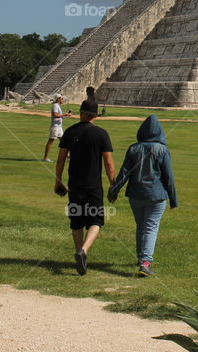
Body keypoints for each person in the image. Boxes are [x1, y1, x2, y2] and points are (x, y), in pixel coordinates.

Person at [109, 115, 177, 277]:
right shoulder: (162, 150)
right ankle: (145, 262)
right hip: (156, 195)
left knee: (141, 227)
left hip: (136, 194)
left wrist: (114, 191)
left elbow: (124, 173)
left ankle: (141, 258)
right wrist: (173, 198)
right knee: (151, 227)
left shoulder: (134, 148)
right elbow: (169, 177)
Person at [53, 99, 115, 276]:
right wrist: (113, 184)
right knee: (96, 221)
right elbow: (108, 163)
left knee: (76, 221)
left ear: (81, 113)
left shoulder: (70, 132)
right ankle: (84, 251)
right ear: (96, 116)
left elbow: (61, 159)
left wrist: (58, 181)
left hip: (75, 183)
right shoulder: (101, 134)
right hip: (93, 185)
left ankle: (79, 250)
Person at [43, 94, 71, 162]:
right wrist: (64, 114)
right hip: (55, 127)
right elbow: (55, 115)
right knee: (51, 141)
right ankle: (45, 158)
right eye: (61, 98)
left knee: (64, 141)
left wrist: (66, 115)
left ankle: (68, 156)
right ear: (58, 99)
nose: (62, 100)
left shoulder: (58, 106)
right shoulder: (55, 105)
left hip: (59, 127)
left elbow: (59, 116)